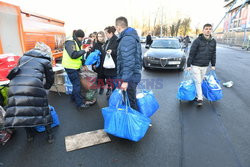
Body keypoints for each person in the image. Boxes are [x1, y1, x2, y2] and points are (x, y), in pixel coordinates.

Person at [4, 42, 55, 143]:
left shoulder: (23, 57)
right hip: (33, 86)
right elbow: (50, 78)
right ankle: (50, 136)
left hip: (15, 86)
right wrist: (45, 88)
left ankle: (29, 136)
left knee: (22, 111)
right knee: (43, 110)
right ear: (46, 52)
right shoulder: (45, 60)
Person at [115, 16, 142, 110]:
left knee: (130, 101)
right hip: (132, 75)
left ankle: (135, 123)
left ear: (118, 27)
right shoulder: (131, 37)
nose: (116, 30)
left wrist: (125, 81)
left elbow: (128, 61)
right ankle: (134, 121)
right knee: (131, 100)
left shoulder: (127, 39)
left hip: (129, 77)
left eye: (116, 28)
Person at [187, 23, 216, 106]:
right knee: (198, 81)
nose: (208, 30)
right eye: (206, 29)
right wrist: (188, 65)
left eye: (210, 29)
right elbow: (191, 53)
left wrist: (213, 65)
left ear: (211, 30)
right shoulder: (197, 41)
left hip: (205, 65)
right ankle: (200, 98)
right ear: (203, 30)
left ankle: (195, 95)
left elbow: (213, 53)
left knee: (200, 81)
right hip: (196, 64)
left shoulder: (213, 41)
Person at [62, 29, 90, 110]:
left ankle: (73, 98)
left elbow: (79, 56)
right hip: (70, 67)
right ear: (78, 37)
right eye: (81, 38)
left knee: (76, 84)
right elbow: (73, 55)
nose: (82, 39)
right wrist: (84, 50)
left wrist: (83, 64)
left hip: (75, 67)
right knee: (77, 84)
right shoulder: (70, 42)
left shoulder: (77, 42)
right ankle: (79, 104)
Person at [103, 26, 118, 96]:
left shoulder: (116, 40)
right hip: (108, 66)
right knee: (110, 81)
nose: (105, 35)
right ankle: (112, 95)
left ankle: (116, 99)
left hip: (113, 66)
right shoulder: (108, 40)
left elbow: (119, 51)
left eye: (106, 33)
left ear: (111, 33)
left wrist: (112, 51)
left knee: (115, 84)